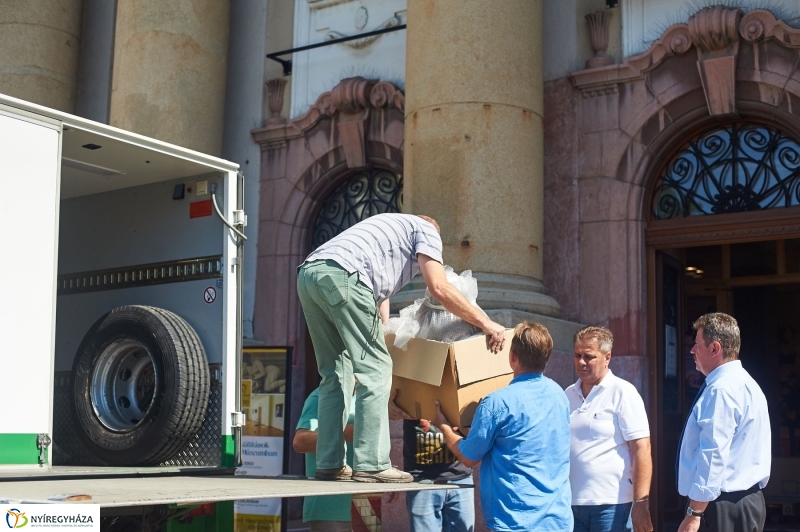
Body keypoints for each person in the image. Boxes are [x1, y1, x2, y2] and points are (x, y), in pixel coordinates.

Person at [296, 213, 506, 483]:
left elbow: (377, 299)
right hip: (345, 278)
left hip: (310, 275)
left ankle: (329, 463)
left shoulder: (387, 233)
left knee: (336, 372)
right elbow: (439, 287)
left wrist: (384, 338)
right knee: (376, 369)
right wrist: (485, 323)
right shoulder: (426, 231)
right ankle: (372, 464)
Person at [434, 321, 572, 531]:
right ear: (547, 357)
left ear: (512, 357)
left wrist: (442, 425)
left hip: (515, 521)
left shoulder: (497, 402)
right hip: (557, 520)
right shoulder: (559, 394)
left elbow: (469, 457)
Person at [677, 312, 771, 532]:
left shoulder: (721, 389)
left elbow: (713, 454)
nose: (692, 350)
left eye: (697, 344)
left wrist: (694, 513)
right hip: (747, 503)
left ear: (715, 348)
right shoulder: (747, 383)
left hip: (722, 507)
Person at [565, 326, 653, 532]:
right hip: (571, 503)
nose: (581, 362)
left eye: (589, 357)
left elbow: (642, 449)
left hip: (612, 505)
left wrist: (641, 503)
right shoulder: (568, 394)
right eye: (577, 355)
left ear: (607, 357)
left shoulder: (623, 392)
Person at [388, 389, 475, 532]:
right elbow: (387, 405)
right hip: (422, 480)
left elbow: (475, 433)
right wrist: (388, 406)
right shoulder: (413, 385)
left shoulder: (458, 387)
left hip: (461, 478)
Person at [293, 387, 355, 532]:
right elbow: (300, 442)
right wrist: (343, 434)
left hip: (367, 500)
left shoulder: (371, 395)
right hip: (330, 505)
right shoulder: (323, 394)